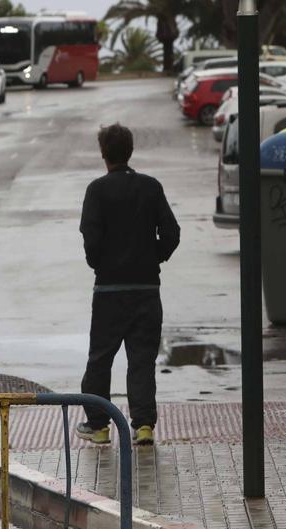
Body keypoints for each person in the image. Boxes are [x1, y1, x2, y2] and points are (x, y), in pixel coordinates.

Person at [77, 123, 180, 446]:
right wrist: (154, 258)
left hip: (109, 291)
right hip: (147, 290)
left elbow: (90, 238)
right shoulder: (150, 187)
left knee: (100, 359)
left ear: (103, 153)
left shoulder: (97, 190)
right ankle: (144, 426)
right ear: (130, 151)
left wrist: (101, 264)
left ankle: (99, 426)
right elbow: (172, 233)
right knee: (142, 359)